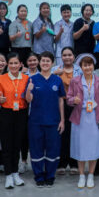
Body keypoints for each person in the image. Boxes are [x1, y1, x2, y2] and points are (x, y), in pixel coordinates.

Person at [68, 54, 99, 189]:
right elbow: (68, 98)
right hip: (80, 117)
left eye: (89, 65)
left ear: (93, 66)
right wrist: (74, 100)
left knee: (93, 148)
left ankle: (90, 175)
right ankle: (81, 175)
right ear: (81, 67)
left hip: (95, 118)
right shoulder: (75, 81)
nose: (87, 67)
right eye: (85, 65)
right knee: (80, 147)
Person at [25, 51, 66, 187]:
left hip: (53, 121)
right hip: (36, 122)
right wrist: (29, 90)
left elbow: (61, 100)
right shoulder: (32, 79)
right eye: (43, 60)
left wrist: (62, 120)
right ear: (39, 62)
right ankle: (39, 176)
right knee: (36, 149)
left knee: (53, 149)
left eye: (48, 61)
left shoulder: (57, 80)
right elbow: (28, 100)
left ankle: (50, 175)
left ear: (52, 63)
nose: (45, 63)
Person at [0, 52, 30, 189]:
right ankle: (8, 175)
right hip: (6, 113)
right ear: (7, 65)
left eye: (16, 63)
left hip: (21, 113)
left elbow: (28, 97)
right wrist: (0, 99)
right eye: (11, 63)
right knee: (6, 145)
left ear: (21, 64)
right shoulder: (2, 78)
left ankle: (15, 173)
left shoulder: (26, 78)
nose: (14, 66)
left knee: (17, 145)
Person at [53, 47, 81, 175]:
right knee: (61, 133)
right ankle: (62, 163)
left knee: (74, 133)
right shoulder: (55, 69)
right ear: (61, 57)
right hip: (60, 104)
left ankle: (74, 163)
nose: (67, 57)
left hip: (75, 104)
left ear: (74, 56)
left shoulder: (79, 70)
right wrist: (54, 75)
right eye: (64, 55)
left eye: (70, 55)